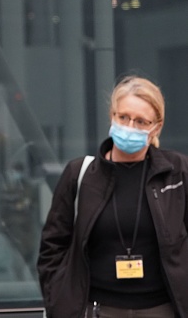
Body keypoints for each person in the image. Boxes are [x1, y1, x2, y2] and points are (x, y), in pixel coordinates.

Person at [37, 75, 188, 318]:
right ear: (112, 116)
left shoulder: (177, 172)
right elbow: (52, 246)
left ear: (156, 127)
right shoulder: (80, 174)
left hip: (162, 309)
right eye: (123, 117)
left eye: (141, 121)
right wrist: (59, 301)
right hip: (98, 309)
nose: (130, 127)